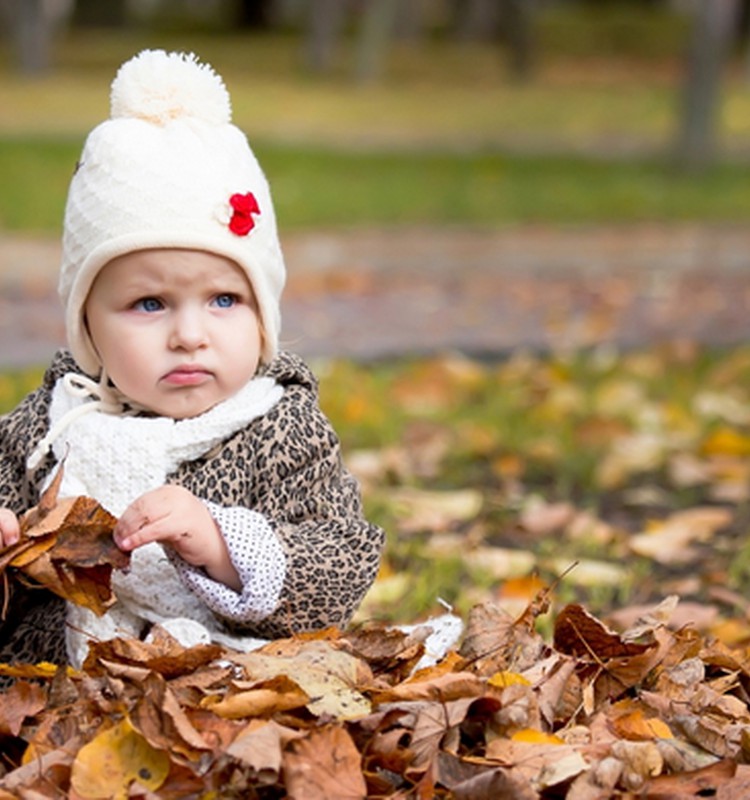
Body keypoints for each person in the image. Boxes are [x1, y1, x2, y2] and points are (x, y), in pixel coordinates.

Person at [0, 49, 384, 670]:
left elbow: (340, 562)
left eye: (224, 299)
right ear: (88, 327)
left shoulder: (278, 426)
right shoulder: (49, 426)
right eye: (149, 303)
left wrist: (224, 544)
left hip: (226, 680)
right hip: (57, 680)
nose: (189, 334)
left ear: (263, 315)